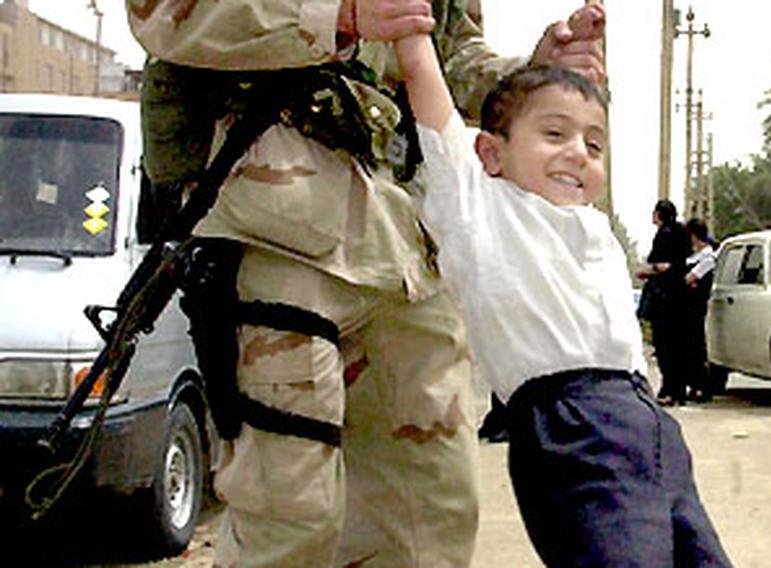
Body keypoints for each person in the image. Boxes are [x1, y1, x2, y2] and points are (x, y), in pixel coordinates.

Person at [127, 0, 607, 566]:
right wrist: (338, 14)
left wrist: (529, 74)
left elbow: (445, 51)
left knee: (430, 514)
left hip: (401, 237)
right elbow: (160, 13)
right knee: (290, 516)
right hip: (272, 220)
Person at [392, 19, 732, 567]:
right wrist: (410, 31)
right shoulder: (478, 205)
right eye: (554, 135)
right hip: (573, 428)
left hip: (648, 424)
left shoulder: (587, 222)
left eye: (593, 143)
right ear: (490, 153)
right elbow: (425, 84)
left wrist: (576, 58)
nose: (578, 153)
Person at [637, 199, 691, 406]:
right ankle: (677, 390)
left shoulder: (666, 234)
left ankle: (670, 389)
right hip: (678, 298)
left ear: (660, 214)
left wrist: (651, 270)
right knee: (677, 346)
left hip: (666, 298)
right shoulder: (681, 232)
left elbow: (666, 265)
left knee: (666, 346)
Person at [684, 217, 717, 402]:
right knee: (689, 348)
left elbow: (689, 278)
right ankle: (693, 385)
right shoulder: (693, 257)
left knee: (697, 347)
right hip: (688, 308)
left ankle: (702, 386)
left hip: (697, 309)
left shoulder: (707, 258)